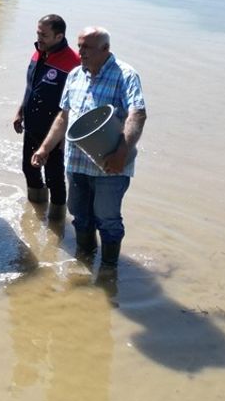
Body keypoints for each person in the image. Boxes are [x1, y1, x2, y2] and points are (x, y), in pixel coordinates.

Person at [32, 27, 147, 272]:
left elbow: (137, 114)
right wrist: (45, 148)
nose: (81, 52)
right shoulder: (75, 75)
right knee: (80, 217)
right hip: (76, 163)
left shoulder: (125, 75)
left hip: (111, 166)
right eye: (80, 46)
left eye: (87, 47)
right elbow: (63, 117)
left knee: (107, 220)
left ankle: (108, 269)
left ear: (105, 49)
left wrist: (122, 153)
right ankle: (84, 262)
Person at [14, 14, 80, 210]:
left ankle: (57, 220)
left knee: (54, 177)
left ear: (59, 37)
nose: (38, 38)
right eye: (37, 33)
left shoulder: (73, 63)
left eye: (44, 35)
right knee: (29, 168)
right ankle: (36, 211)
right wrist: (20, 110)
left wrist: (63, 137)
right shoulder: (39, 52)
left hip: (54, 132)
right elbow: (31, 86)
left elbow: (75, 104)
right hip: (32, 124)